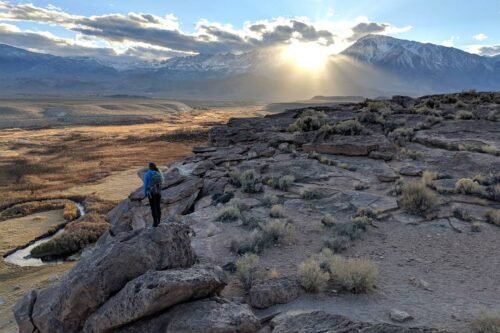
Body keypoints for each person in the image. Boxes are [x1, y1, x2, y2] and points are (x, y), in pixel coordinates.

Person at [143, 162, 164, 227]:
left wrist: (145, 193)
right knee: (158, 207)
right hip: (158, 192)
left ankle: (155, 223)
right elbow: (161, 183)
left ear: (149, 167)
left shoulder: (147, 174)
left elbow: (146, 185)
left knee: (153, 208)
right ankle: (159, 221)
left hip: (151, 193)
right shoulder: (158, 173)